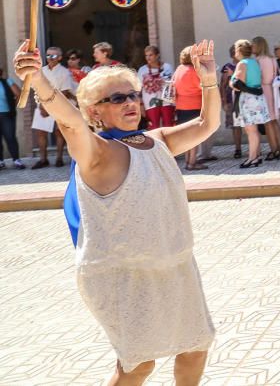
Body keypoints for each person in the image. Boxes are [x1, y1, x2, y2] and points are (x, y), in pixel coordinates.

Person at [12, 39, 218, 385]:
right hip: (123, 274)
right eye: (117, 98)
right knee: (138, 365)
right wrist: (38, 80)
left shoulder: (158, 141)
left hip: (175, 264)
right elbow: (70, 123)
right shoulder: (98, 153)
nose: (130, 103)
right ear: (94, 110)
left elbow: (206, 125)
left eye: (133, 95)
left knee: (195, 348)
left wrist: (208, 81)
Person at [31, 46, 76, 169]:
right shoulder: (41, 71)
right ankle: (43, 159)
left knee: (59, 133)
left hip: (58, 106)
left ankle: (59, 158)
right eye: (48, 55)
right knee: (41, 133)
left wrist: (50, 106)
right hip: (42, 105)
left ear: (60, 58)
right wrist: (41, 106)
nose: (50, 58)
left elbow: (65, 92)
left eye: (54, 55)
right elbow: (37, 89)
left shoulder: (64, 72)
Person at [231, 38, 269, 168]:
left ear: (239, 50)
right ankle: (256, 156)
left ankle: (252, 158)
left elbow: (238, 84)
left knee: (250, 130)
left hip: (248, 99)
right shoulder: (254, 62)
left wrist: (232, 82)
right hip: (257, 97)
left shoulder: (242, 63)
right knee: (254, 129)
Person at [172, 46, 210, 171]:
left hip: (181, 106)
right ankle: (192, 162)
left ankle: (188, 160)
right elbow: (203, 87)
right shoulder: (195, 71)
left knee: (186, 135)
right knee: (195, 135)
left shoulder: (179, 69)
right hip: (195, 105)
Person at [252, 36, 280, 160]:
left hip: (264, 90)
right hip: (273, 90)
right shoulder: (272, 59)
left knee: (268, 122)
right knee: (274, 121)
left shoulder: (258, 60)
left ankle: (274, 149)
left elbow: (258, 77)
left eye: (253, 45)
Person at [137, 45, 174, 130]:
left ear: (157, 55)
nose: (148, 58)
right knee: (153, 127)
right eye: (146, 55)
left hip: (167, 101)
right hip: (150, 103)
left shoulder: (167, 67)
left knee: (169, 126)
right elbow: (138, 90)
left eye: (151, 55)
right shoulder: (142, 70)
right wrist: (141, 105)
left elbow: (173, 83)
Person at [219, 45, 243, 159]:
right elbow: (222, 85)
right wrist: (223, 101)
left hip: (245, 98)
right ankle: (238, 149)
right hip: (231, 99)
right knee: (235, 126)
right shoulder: (227, 67)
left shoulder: (245, 65)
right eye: (233, 51)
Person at [0, 65, 23, 170]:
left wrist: (14, 105)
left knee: (10, 137)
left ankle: (16, 160)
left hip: (6, 114)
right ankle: (1, 161)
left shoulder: (7, 81)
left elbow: (19, 93)